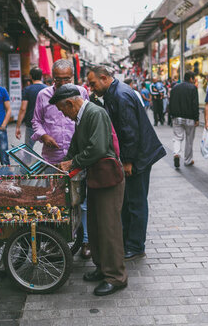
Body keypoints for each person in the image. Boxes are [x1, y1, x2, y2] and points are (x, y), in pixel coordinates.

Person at [54, 85, 127, 296]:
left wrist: (73, 162)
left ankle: (116, 276)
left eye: (62, 110)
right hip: (95, 178)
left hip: (108, 179)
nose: (64, 115)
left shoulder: (95, 113)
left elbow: (99, 148)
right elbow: (76, 146)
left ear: (70, 103)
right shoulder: (82, 116)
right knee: (95, 226)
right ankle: (103, 267)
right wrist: (66, 162)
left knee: (109, 228)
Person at [87, 66, 166, 260]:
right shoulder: (115, 92)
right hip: (137, 156)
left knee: (136, 202)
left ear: (104, 78)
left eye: (93, 83)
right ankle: (129, 241)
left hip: (138, 158)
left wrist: (128, 161)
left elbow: (129, 131)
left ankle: (136, 245)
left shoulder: (120, 96)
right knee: (130, 201)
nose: (91, 88)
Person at [31, 59, 91, 259]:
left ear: (73, 77)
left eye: (67, 79)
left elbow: (87, 118)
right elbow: (36, 121)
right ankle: (56, 242)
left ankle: (85, 241)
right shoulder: (43, 95)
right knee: (54, 200)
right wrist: (43, 136)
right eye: (58, 80)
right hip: (53, 157)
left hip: (76, 156)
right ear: (52, 78)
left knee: (80, 200)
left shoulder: (82, 92)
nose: (63, 83)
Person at [168, 71, 199, 168]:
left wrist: (171, 115)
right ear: (191, 79)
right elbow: (195, 104)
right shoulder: (193, 88)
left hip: (177, 118)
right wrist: (196, 118)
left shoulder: (175, 88)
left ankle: (176, 153)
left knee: (177, 137)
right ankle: (187, 160)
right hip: (190, 118)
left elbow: (171, 103)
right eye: (193, 79)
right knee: (189, 140)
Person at [15, 68, 47, 149]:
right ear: (41, 76)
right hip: (46, 122)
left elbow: (23, 109)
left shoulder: (27, 90)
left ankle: (29, 162)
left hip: (31, 123)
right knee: (48, 148)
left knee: (28, 149)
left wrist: (18, 126)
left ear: (31, 77)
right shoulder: (48, 89)